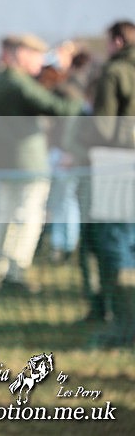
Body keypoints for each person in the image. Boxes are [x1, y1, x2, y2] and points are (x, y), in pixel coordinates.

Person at [0, 34, 83, 292]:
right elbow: (60, 108)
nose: (40, 62)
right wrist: (72, 86)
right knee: (27, 216)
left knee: (5, 213)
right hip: (28, 161)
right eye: (36, 56)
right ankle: (15, 271)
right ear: (22, 55)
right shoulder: (18, 81)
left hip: (4, 159)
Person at [88, 20, 135, 347]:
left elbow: (103, 126)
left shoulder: (115, 71)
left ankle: (123, 321)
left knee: (116, 241)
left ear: (118, 41)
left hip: (119, 163)